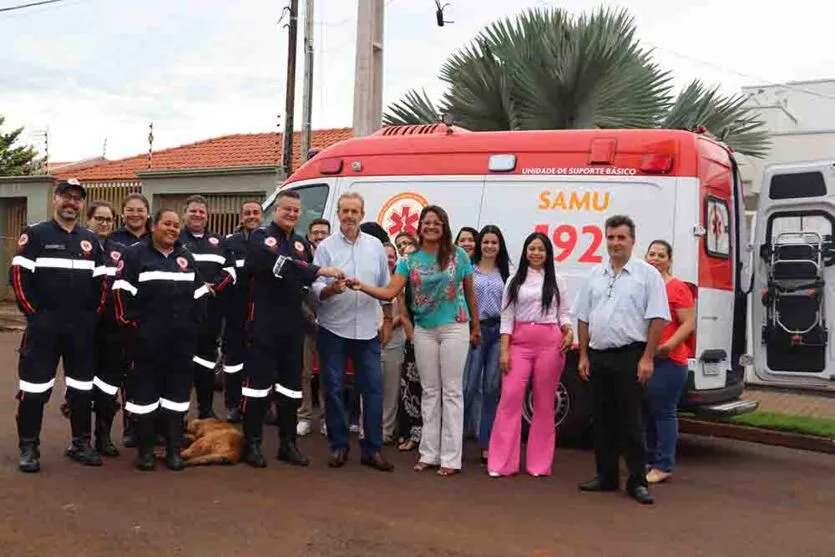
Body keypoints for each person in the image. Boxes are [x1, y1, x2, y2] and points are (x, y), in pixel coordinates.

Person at [351, 205, 480, 477]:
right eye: (426, 222)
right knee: (430, 391)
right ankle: (429, 453)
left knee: (452, 392)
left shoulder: (459, 257)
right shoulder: (408, 260)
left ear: (444, 226)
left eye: (436, 223)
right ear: (420, 227)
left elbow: (470, 295)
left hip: (455, 327)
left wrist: (476, 328)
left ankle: (451, 458)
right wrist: (362, 285)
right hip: (424, 330)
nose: (431, 227)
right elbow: (390, 292)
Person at [240, 189, 344, 468]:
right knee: (257, 389)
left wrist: (330, 289)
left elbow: (307, 286)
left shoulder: (301, 244)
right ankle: (251, 443)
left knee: (291, 389)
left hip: (292, 327)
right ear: (276, 210)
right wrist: (319, 271)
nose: (292, 214)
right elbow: (275, 264)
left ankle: (288, 444)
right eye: (287, 209)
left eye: (296, 211)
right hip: (262, 325)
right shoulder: (260, 238)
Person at [10, 179, 106, 472]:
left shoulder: (90, 240)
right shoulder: (35, 235)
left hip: (80, 330)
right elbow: (18, 278)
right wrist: (34, 316)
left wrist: (92, 317)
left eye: (77, 198)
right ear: (56, 199)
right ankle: (29, 447)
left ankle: (80, 443)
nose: (72, 202)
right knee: (34, 388)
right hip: (44, 329)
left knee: (81, 388)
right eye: (67, 196)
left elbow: (101, 284)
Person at [574, 214, 670, 505]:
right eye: (611, 237)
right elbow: (583, 317)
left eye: (621, 238)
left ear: (632, 241)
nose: (615, 243)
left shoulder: (647, 275)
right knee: (602, 420)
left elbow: (657, 318)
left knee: (631, 421)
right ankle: (606, 476)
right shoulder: (594, 275)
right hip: (599, 355)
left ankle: (637, 482)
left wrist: (648, 358)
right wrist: (583, 354)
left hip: (631, 355)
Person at [113, 209, 210, 471]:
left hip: (180, 345)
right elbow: (121, 298)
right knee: (144, 399)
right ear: (153, 226)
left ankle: (173, 451)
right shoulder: (134, 254)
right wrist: (135, 333)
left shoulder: (185, 256)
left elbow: (200, 294)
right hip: (146, 344)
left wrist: (193, 327)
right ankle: (145, 452)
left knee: (177, 398)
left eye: (176, 225)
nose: (172, 229)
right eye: (167, 223)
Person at [313, 193, 394, 471]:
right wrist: (330, 289)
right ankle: (338, 445)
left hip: (368, 329)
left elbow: (385, 287)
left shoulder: (374, 247)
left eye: (354, 211)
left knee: (372, 388)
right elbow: (315, 288)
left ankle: (372, 449)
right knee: (334, 389)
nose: (349, 215)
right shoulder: (325, 247)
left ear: (362, 213)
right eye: (345, 211)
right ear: (338, 214)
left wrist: (387, 317)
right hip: (334, 327)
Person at [488, 232, 572, 477]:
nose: (536, 253)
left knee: (545, 403)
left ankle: (539, 465)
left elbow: (564, 314)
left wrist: (568, 331)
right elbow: (507, 317)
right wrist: (504, 350)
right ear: (525, 251)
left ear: (548, 254)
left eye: (541, 249)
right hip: (519, 344)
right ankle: (501, 464)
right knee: (509, 399)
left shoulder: (558, 281)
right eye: (532, 248)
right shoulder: (515, 280)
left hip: (550, 343)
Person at [179, 195, 236, 419]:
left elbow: (231, 271)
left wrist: (215, 287)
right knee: (180, 368)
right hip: (181, 316)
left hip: (210, 317)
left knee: (206, 367)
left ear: (207, 216)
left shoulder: (219, 242)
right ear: (185, 213)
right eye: (193, 211)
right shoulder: (174, 239)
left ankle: (206, 411)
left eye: (202, 212)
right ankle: (178, 416)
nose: (197, 215)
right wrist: (200, 286)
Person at [644, 240, 695, 484]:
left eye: (660, 255)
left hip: (670, 362)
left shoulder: (677, 288)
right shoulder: (644, 285)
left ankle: (663, 465)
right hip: (647, 359)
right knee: (647, 412)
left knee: (664, 413)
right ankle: (650, 459)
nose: (655, 258)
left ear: (669, 260)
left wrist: (668, 346)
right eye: (651, 254)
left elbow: (688, 323)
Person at [463, 225, 510, 464]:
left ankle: (486, 443)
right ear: (480, 244)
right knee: (468, 387)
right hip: (476, 331)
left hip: (497, 331)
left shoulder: (506, 274)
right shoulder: (469, 270)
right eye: (486, 242)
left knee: (491, 388)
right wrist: (472, 327)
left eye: (494, 242)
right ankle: (455, 440)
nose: (490, 246)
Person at [86, 201, 128, 457]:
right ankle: (79, 440)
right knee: (80, 387)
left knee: (108, 386)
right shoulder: (77, 246)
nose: (103, 223)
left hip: (112, 331)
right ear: (88, 220)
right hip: (83, 329)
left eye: (108, 219)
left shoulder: (121, 251)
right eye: (98, 218)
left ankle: (103, 437)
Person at [221, 200, 264, 423]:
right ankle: (233, 405)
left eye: (255, 212)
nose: (251, 216)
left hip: (263, 313)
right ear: (241, 217)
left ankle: (261, 407)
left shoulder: (270, 241)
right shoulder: (229, 242)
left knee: (261, 362)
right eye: (247, 213)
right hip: (235, 312)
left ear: (262, 216)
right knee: (233, 362)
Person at [299, 218, 331, 437]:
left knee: (329, 375)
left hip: (331, 325)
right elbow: (297, 293)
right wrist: (311, 318)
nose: (319, 236)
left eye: (324, 233)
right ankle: (304, 417)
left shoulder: (335, 257)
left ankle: (328, 418)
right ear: (310, 236)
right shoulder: (301, 259)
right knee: (304, 373)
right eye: (316, 233)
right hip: (305, 325)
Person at [393, 232, 421, 453]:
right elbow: (403, 313)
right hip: (413, 339)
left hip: (435, 334)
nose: (404, 248)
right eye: (400, 245)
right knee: (410, 388)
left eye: (407, 243)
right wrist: (412, 338)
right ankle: (410, 435)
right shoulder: (401, 276)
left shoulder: (427, 272)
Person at [381, 243, 406, 445]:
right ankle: (366, 428)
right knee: (369, 388)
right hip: (371, 338)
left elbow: (404, 312)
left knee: (391, 389)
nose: (388, 259)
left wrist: (390, 325)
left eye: (392, 256)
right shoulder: (369, 279)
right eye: (385, 255)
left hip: (395, 338)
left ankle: (386, 431)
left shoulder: (401, 282)